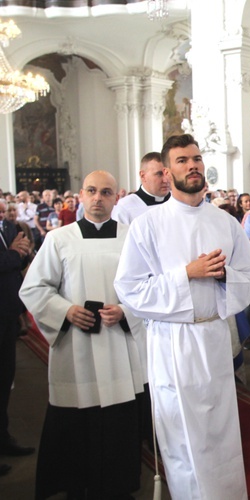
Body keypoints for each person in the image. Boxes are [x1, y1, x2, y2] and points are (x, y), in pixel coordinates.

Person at [114, 134, 250, 499]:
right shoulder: (148, 224)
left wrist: (226, 275)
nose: (192, 165)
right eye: (182, 160)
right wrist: (186, 275)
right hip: (173, 342)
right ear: (166, 171)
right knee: (182, 441)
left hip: (213, 337)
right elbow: (129, 289)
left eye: (196, 158)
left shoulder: (224, 222)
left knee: (221, 434)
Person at [19, 171, 145, 499]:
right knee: (78, 421)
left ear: (116, 197)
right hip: (76, 348)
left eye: (105, 192)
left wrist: (125, 311)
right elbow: (33, 287)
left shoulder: (132, 237)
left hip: (118, 344)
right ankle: (76, 485)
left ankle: (117, 487)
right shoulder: (60, 239)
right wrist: (64, 310)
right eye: (92, 191)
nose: (98, 198)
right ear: (81, 195)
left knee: (117, 421)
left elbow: (147, 288)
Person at [0, 199, 34, 478]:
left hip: (7, 312)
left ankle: (4, 438)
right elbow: (9, 258)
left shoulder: (8, 227)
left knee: (4, 379)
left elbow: (22, 254)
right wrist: (12, 255)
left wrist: (16, 255)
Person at [111, 152, 171, 225]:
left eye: (167, 173)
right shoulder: (124, 207)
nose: (166, 180)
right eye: (159, 174)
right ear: (143, 176)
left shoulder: (180, 201)